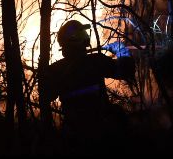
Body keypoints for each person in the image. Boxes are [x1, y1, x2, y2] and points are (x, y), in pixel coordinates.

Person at [43, 19, 135, 151]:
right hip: (101, 132)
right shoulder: (96, 61)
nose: (86, 37)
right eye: (82, 34)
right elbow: (126, 70)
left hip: (73, 135)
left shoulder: (54, 69)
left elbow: (46, 95)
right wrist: (122, 52)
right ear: (75, 39)